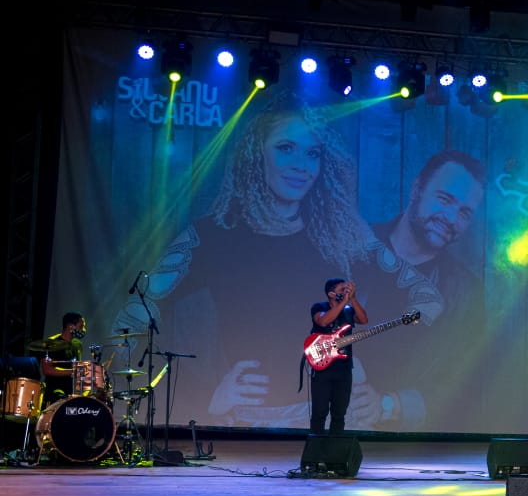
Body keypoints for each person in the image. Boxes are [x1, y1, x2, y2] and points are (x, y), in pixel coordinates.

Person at [111, 90, 383, 429]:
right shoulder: (211, 237)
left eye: (312, 153)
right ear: (257, 155)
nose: (302, 165)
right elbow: (127, 326)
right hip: (257, 421)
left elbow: (419, 304)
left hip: (339, 414)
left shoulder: (342, 234)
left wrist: (382, 394)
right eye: (286, 148)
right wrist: (207, 397)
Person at [360, 149, 486, 431]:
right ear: (417, 188)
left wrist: (387, 405)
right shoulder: (352, 248)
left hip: (409, 453)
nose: (451, 218)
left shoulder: (466, 293)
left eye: (464, 213)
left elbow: (465, 387)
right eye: (444, 199)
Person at [307, 278, 369, 434]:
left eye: (347, 290)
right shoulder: (319, 307)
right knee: (319, 412)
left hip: (344, 368)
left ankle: (334, 451)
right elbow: (323, 321)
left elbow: (363, 320)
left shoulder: (348, 310)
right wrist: (343, 302)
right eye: (342, 290)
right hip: (323, 368)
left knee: (339, 413)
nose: (346, 293)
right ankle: (316, 451)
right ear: (331, 293)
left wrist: (353, 299)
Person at [38, 312, 87, 404]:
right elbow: (47, 370)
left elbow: (76, 366)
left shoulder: (77, 345)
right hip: (54, 392)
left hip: (70, 393)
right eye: (81, 326)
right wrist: (72, 372)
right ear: (70, 326)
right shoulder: (52, 343)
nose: (83, 330)